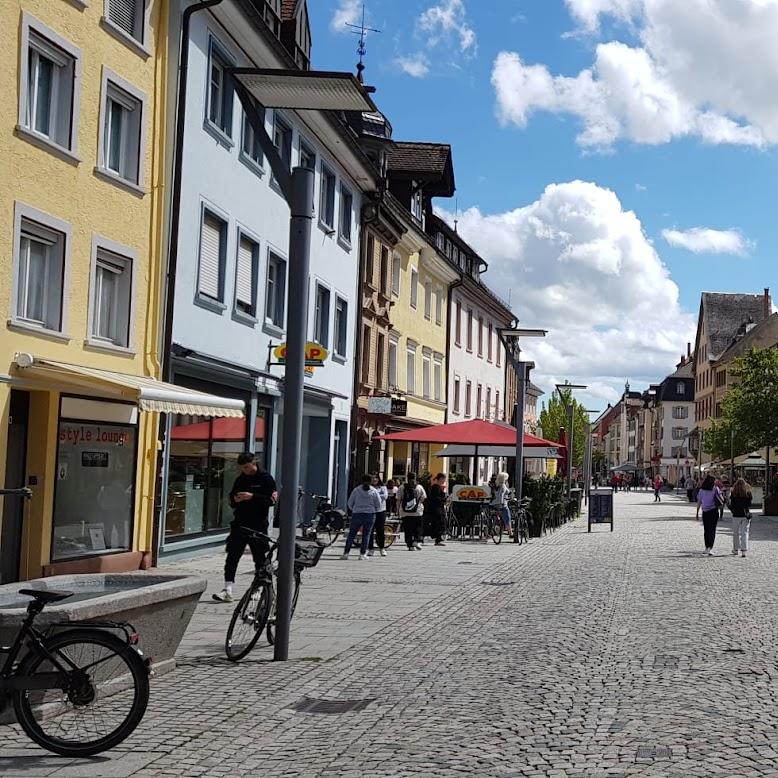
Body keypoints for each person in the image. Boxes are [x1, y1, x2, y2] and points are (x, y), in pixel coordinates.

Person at [212, 452, 277, 603]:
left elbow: (271, 501)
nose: (245, 471)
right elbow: (231, 498)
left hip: (258, 525)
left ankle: (259, 588)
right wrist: (235, 499)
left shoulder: (266, 479)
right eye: (242, 468)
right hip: (240, 523)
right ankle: (227, 589)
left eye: (247, 467)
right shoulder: (241, 479)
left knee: (260, 558)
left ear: (254, 463)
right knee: (232, 557)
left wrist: (252, 496)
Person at [343, 474, 382, 560]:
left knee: (352, 534)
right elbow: (379, 504)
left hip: (357, 514)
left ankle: (346, 553)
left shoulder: (356, 490)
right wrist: (373, 510)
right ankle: (362, 554)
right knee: (366, 535)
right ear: (371, 481)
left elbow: (350, 503)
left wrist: (355, 509)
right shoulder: (374, 491)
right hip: (369, 515)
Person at [696, 474, 723, 555]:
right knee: (712, 530)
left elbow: (699, 502)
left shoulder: (701, 490)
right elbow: (721, 499)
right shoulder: (715, 489)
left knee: (706, 530)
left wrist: (697, 513)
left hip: (705, 512)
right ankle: (710, 548)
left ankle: (707, 547)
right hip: (713, 511)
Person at [399, 472, 426, 551]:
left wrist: (398, 509)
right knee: (418, 526)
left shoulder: (402, 487)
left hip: (405, 511)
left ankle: (410, 545)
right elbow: (423, 497)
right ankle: (416, 540)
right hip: (417, 511)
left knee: (408, 528)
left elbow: (398, 499)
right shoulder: (419, 487)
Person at [729, 477, 753, 558]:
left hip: (736, 515)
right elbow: (749, 504)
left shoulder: (733, 492)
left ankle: (735, 550)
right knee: (744, 533)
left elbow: (732, 504)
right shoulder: (748, 492)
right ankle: (744, 551)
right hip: (745, 515)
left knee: (735, 533)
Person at [424, 473, 448, 546]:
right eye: (443, 479)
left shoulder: (437, 487)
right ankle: (438, 540)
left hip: (437, 508)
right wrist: (444, 499)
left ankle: (438, 539)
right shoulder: (436, 487)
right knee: (439, 523)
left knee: (438, 523)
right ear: (440, 479)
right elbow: (436, 498)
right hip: (437, 509)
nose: (444, 481)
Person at [368, 475, 389, 557]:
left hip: (381, 511)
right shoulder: (368, 488)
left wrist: (375, 496)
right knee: (370, 530)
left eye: (376, 478)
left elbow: (385, 496)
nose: (374, 479)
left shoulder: (383, 488)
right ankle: (370, 548)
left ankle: (382, 548)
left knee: (380, 530)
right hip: (371, 511)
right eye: (373, 478)